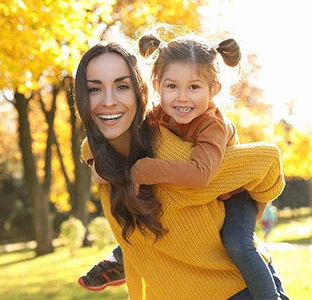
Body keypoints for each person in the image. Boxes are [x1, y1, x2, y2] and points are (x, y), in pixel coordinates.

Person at [75, 39, 288, 299]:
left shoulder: (204, 131)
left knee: (238, 243)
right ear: (157, 87)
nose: (182, 96)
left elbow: (262, 160)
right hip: (181, 287)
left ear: (213, 90)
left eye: (121, 86)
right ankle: (117, 259)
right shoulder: (147, 125)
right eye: (172, 86)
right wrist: (96, 158)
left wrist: (256, 207)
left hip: (235, 266)